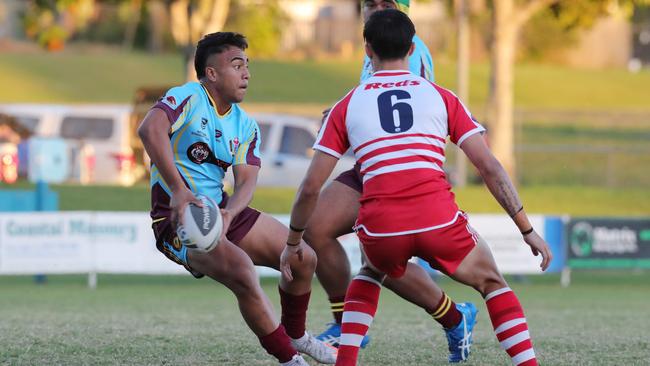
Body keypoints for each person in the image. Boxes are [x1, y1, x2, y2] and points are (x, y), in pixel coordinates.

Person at [283, 9, 552, 366]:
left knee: (370, 270)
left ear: (366, 51)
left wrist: (293, 242)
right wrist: (527, 229)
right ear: (412, 49)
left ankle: (346, 359)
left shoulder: (346, 106)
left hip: (381, 227)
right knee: (492, 282)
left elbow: (310, 188)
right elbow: (488, 166)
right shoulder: (442, 96)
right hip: (437, 220)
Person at [137, 32, 336, 366]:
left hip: (220, 211)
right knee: (243, 272)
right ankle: (290, 360)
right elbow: (149, 130)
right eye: (236, 64)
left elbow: (246, 181)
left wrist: (229, 214)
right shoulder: (189, 96)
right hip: (178, 220)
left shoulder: (246, 125)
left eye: (247, 65)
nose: (246, 73)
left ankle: (296, 335)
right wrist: (180, 189)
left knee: (303, 258)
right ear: (211, 73)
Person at [308, 0, 474, 361]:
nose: (376, 8)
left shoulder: (406, 50)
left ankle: (455, 317)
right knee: (317, 228)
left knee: (382, 255)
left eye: (386, 3)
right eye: (371, 3)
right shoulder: (374, 48)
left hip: (400, 169)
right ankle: (344, 322)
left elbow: (400, 107)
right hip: (371, 166)